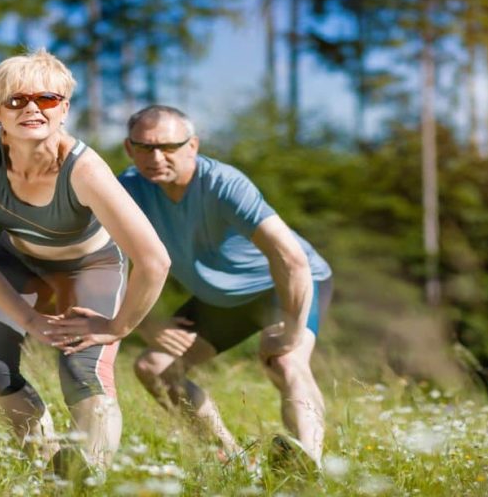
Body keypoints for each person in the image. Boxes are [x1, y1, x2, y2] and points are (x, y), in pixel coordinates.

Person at [0, 50, 170, 473]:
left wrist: (118, 327)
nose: (31, 108)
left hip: (90, 266)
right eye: (15, 100)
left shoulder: (84, 169)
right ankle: (47, 468)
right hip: (19, 261)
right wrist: (27, 318)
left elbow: (154, 261)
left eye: (46, 98)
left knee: (81, 369)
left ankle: (89, 473)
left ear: (64, 109)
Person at [118, 105, 333, 469]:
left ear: (192, 145)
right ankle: (234, 462)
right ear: (129, 148)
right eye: (144, 147)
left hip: (280, 284)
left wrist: (293, 332)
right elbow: (105, 262)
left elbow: (290, 259)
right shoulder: (126, 190)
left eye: (168, 147)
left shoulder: (223, 184)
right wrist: (145, 322)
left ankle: (307, 463)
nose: (156, 157)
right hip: (219, 296)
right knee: (155, 367)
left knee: (286, 362)